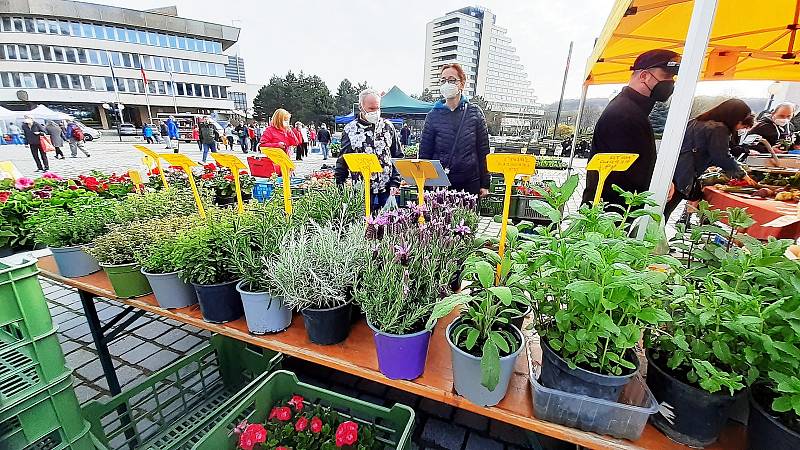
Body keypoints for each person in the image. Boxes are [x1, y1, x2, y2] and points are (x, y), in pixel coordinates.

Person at [581, 49, 681, 207]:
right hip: (611, 211)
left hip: (615, 208)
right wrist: (658, 182)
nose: (671, 83)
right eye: (666, 77)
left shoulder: (631, 109)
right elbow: (627, 173)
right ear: (644, 76)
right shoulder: (624, 114)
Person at [665, 99, 757, 220]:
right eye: (741, 122)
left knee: (661, 209)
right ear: (733, 117)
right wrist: (742, 174)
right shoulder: (719, 129)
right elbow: (721, 156)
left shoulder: (696, 121)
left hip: (672, 169)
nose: (739, 127)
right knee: (664, 211)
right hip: (684, 173)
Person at [419, 63, 490, 196]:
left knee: (466, 216)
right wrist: (424, 183)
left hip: (469, 182)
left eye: (452, 80)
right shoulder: (433, 115)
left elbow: (483, 151)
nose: (447, 84)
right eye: (443, 80)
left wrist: (485, 184)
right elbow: (425, 153)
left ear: (462, 84)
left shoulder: (474, 113)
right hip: (440, 182)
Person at [335, 89, 403, 209]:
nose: (375, 112)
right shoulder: (350, 129)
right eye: (371, 109)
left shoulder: (388, 127)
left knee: (389, 224)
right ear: (361, 107)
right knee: (364, 224)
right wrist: (340, 184)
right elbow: (343, 159)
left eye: (378, 108)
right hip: (362, 189)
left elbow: (397, 155)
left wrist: (396, 181)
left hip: (386, 188)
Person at [259, 109, 301, 175]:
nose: (287, 122)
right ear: (279, 120)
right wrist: (277, 145)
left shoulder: (286, 130)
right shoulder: (269, 130)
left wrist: (289, 131)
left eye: (287, 120)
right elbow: (262, 145)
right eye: (285, 120)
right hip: (274, 162)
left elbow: (295, 143)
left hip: (286, 161)